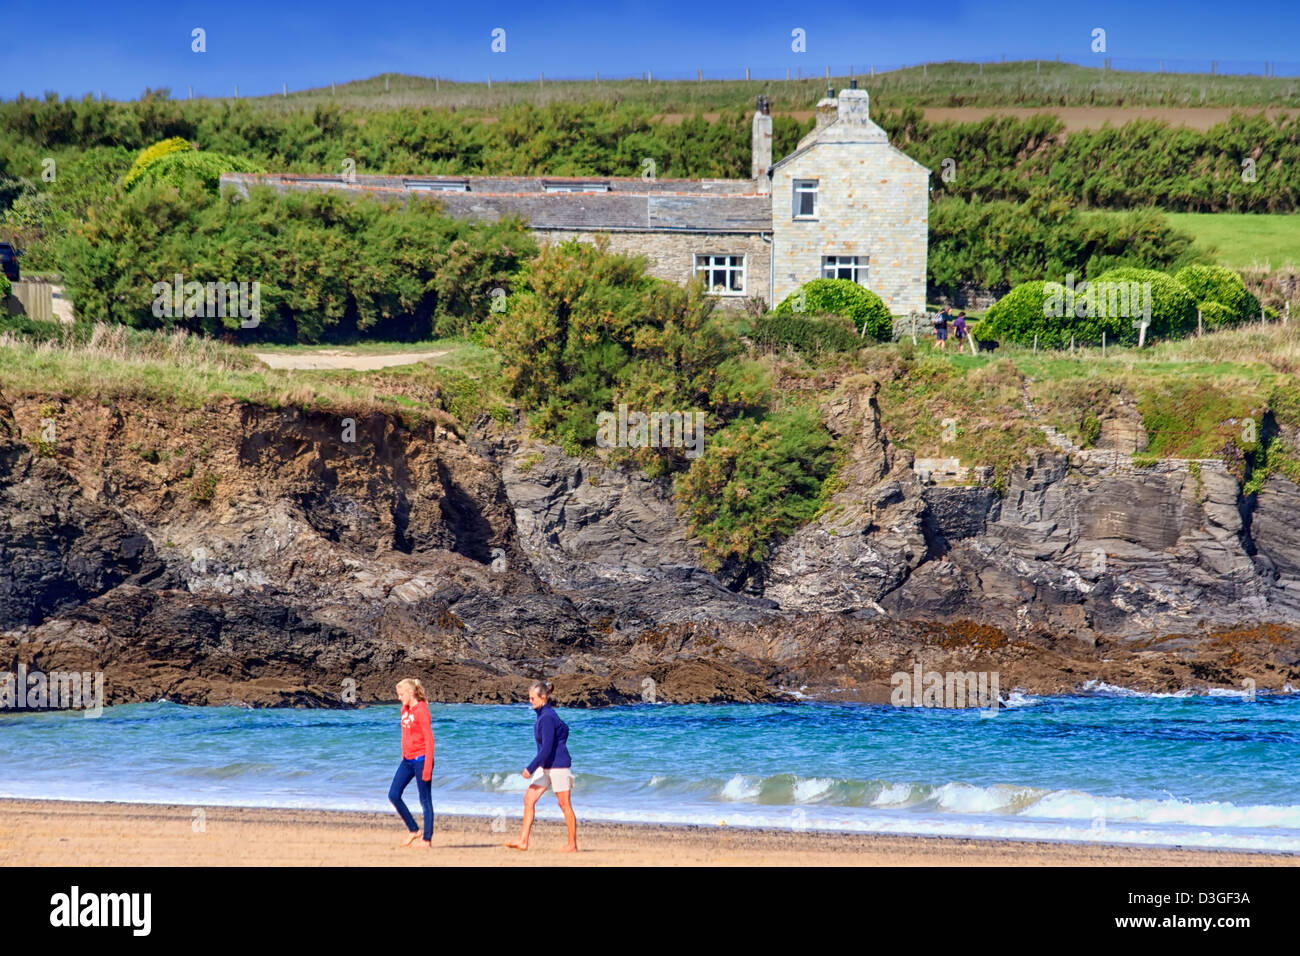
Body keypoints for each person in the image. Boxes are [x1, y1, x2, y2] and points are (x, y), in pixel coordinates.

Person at [504, 680, 577, 853]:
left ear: (543, 698)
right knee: (529, 799)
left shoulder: (548, 717)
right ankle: (523, 841)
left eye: (532, 698)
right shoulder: (543, 715)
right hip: (546, 767)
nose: (530, 701)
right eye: (529, 698)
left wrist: (530, 768)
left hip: (558, 766)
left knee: (564, 804)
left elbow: (547, 748)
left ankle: (572, 844)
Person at [389, 678, 435, 849]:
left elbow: (430, 740)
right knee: (393, 794)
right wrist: (404, 755)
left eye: (401, 695)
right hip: (407, 761)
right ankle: (414, 829)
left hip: (422, 760)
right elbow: (405, 736)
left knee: (425, 800)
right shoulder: (404, 709)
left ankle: (427, 839)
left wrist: (428, 767)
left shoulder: (422, 710)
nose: (399, 698)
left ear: (410, 693)